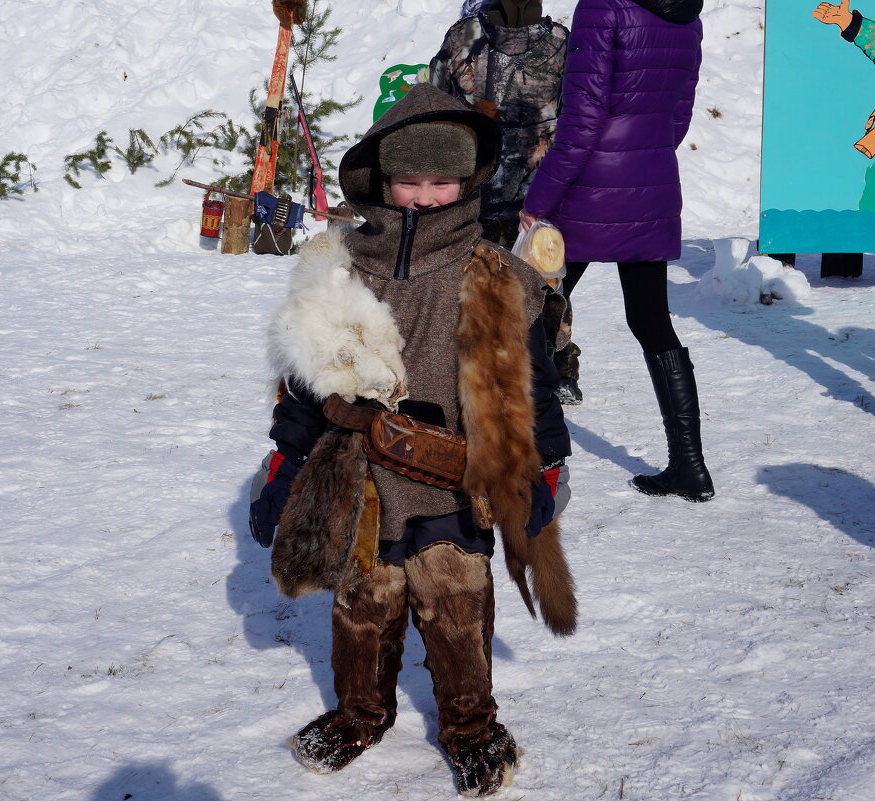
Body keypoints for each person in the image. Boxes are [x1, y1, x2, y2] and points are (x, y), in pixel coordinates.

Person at [248, 82, 577, 796]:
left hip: (453, 481)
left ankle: (471, 726)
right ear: (381, 180)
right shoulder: (337, 276)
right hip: (360, 480)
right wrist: (284, 462)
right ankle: (360, 712)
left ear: (465, 182)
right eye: (408, 180)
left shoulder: (495, 277)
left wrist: (546, 469)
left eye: (441, 180)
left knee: (458, 608)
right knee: (360, 612)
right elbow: (305, 388)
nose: (424, 195)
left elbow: (535, 389)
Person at [520, 0, 714, 501]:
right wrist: (644, 157)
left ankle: (527, 455)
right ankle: (690, 467)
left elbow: (582, 118)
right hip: (650, 178)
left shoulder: (603, 7)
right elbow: (680, 111)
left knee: (530, 314)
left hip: (590, 185)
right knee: (652, 321)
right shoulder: (686, 12)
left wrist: (540, 198)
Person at [429, 0, 569, 248]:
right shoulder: (560, 41)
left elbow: (435, 101)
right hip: (539, 197)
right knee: (537, 282)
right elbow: (575, 112)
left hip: (475, 193)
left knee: (473, 281)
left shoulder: (463, 34)